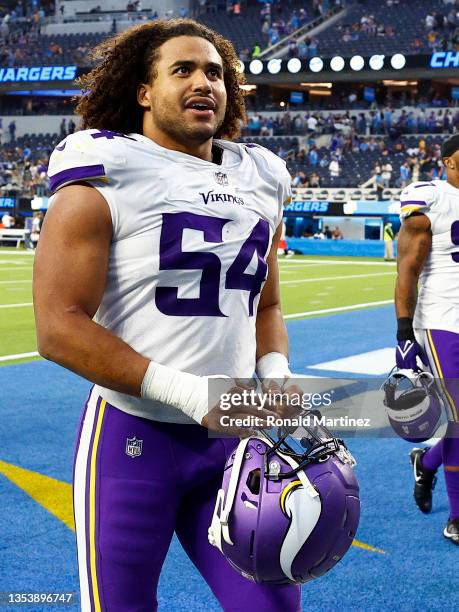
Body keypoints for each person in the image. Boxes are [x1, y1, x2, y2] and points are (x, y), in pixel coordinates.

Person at [33, 19, 300, 611]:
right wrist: (185, 391)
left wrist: (276, 369)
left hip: (233, 438)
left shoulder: (261, 178)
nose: (203, 81)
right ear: (143, 91)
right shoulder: (108, 170)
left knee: (274, 607)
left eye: (214, 71)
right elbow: (57, 327)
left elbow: (268, 303)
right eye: (182, 69)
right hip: (134, 436)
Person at [395, 133, 459, 545]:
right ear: (451, 162)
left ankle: (428, 461)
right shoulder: (430, 198)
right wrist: (403, 335)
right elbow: (407, 269)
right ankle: (457, 517)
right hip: (442, 319)